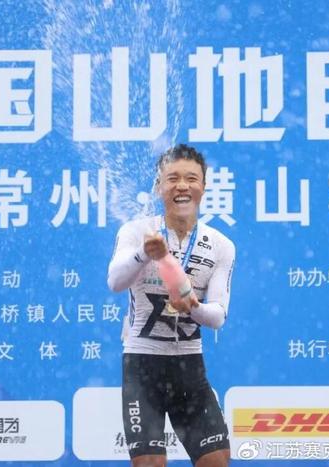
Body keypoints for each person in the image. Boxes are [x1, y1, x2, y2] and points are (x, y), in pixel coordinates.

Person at [108, 144, 235, 467]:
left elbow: (218, 316)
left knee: (217, 462)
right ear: (158, 186)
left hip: (190, 370)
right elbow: (115, 282)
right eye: (172, 178)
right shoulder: (137, 232)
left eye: (191, 179)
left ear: (204, 186)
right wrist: (144, 254)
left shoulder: (221, 245)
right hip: (143, 368)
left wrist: (193, 306)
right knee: (149, 464)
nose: (182, 186)